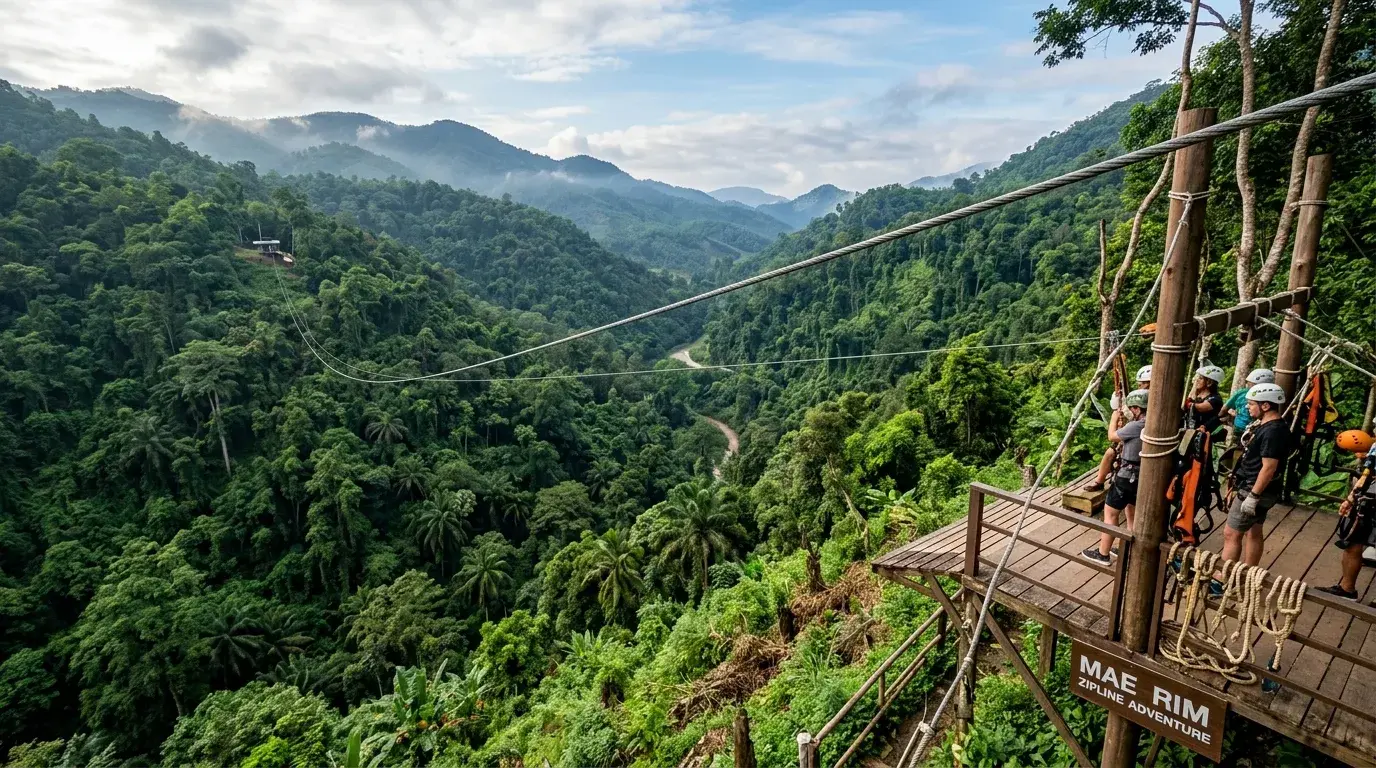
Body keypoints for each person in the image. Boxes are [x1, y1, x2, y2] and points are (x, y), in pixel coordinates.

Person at [1221, 383, 1289, 568]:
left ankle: (1222, 578)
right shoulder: (1270, 426)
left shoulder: (1272, 431)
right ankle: (1248, 572)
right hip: (1261, 488)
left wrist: (1253, 496)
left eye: (1251, 404)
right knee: (1254, 530)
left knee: (1231, 533)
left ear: (1265, 406)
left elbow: (1269, 467)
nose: (1247, 407)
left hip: (1254, 488)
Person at [1083, 388, 1148, 564]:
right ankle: (1127, 550)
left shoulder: (1136, 425)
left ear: (1137, 408)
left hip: (1127, 476)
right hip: (1143, 477)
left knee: (1110, 514)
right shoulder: (1153, 424)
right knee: (1131, 516)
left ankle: (1103, 554)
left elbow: (1112, 436)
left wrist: (1113, 419)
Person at [1318, 430, 1376, 603]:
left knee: (1353, 542)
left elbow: (1366, 476)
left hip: (1369, 500)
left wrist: (1351, 498)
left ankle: (1347, 589)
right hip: (1368, 500)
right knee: (1353, 544)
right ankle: (1346, 589)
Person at [1087, 365, 1152, 493]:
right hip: (1138, 433)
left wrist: (1116, 417)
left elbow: (1113, 435)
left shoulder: (1150, 399)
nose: (1139, 387)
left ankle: (1100, 481)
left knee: (1111, 452)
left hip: (1140, 438)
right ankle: (1099, 481)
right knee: (1110, 452)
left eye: (1141, 384)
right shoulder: (1145, 397)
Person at [1222, 368, 1274, 444]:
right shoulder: (1242, 393)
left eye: (1251, 384)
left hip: (1255, 431)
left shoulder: (1266, 399)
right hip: (1241, 431)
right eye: (1248, 384)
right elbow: (1224, 410)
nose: (1248, 387)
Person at [1187, 364, 1226, 436]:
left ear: (1209, 382)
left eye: (1201, 378)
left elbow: (1200, 407)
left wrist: (1189, 403)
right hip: (1190, 431)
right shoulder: (1197, 396)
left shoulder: (1215, 399)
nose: (1197, 380)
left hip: (1203, 434)